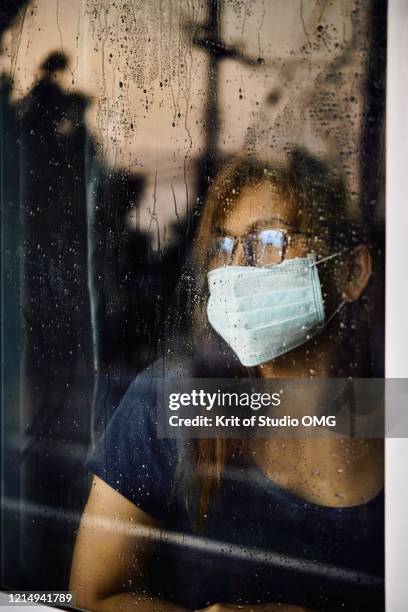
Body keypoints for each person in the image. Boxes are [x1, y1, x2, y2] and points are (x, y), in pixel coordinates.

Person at [69, 153, 384, 611]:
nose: (235, 272)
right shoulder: (173, 400)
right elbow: (92, 595)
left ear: (352, 272)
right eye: (224, 248)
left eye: (269, 240)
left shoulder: (391, 414)